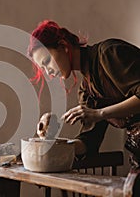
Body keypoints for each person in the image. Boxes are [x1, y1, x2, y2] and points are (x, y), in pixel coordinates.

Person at [27, 20, 140, 195]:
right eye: (43, 68)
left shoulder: (109, 54)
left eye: (47, 61)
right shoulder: (87, 92)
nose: (48, 71)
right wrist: (52, 142)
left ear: (64, 46)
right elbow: (89, 141)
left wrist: (100, 113)